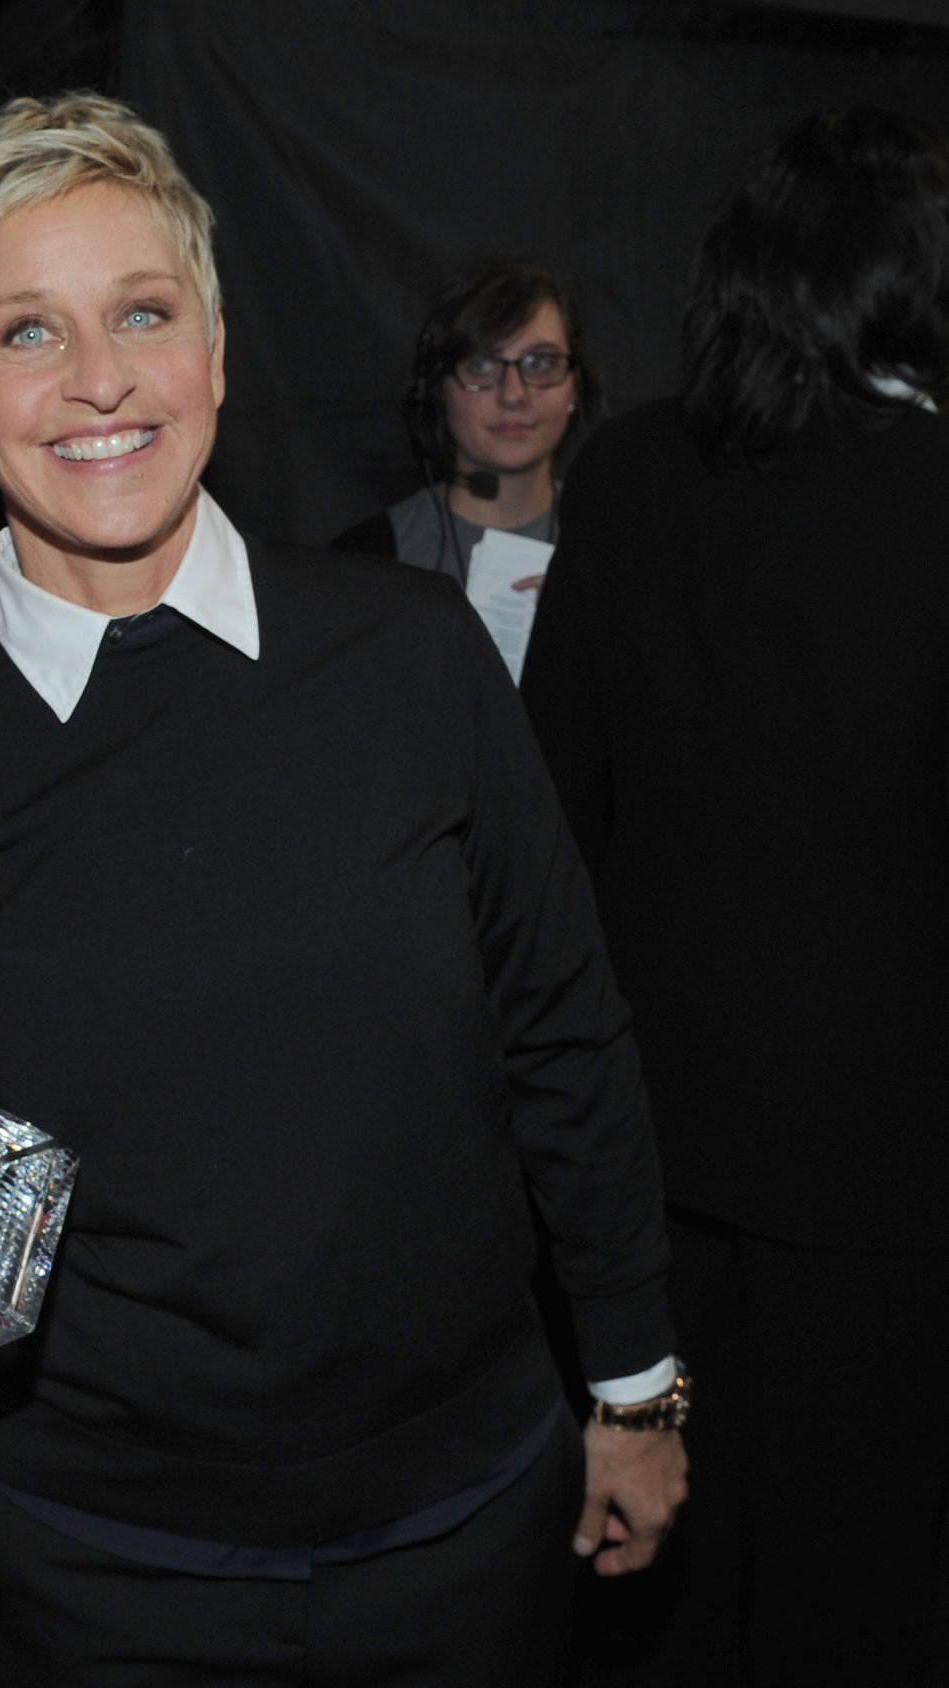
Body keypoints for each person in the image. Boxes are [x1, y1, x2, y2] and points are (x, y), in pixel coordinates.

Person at [0, 93, 685, 1686]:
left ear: (213, 346)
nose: (98, 381)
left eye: (142, 313)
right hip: (107, 1579)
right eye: (26, 332)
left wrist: (632, 1390)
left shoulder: (411, 661)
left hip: (470, 1523)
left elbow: (567, 1040)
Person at [521, 107, 949, 1687]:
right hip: (889, 1173)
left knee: (664, 1585)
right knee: (866, 1587)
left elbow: (546, 821)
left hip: (653, 1156)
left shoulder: (627, 477)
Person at [333, 262, 595, 597]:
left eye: (540, 363)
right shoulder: (366, 560)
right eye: (481, 365)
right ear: (439, 390)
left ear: (574, 387)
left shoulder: (625, 550)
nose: (513, 394)